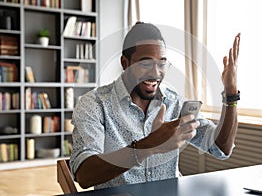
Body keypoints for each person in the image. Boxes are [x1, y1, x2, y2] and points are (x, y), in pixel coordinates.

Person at [70, 21, 241, 189]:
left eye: (161, 64)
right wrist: (149, 146)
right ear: (125, 63)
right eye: (145, 64)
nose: (155, 73)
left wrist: (231, 94)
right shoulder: (94, 104)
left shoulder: (174, 103)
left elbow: (221, 148)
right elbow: (84, 175)